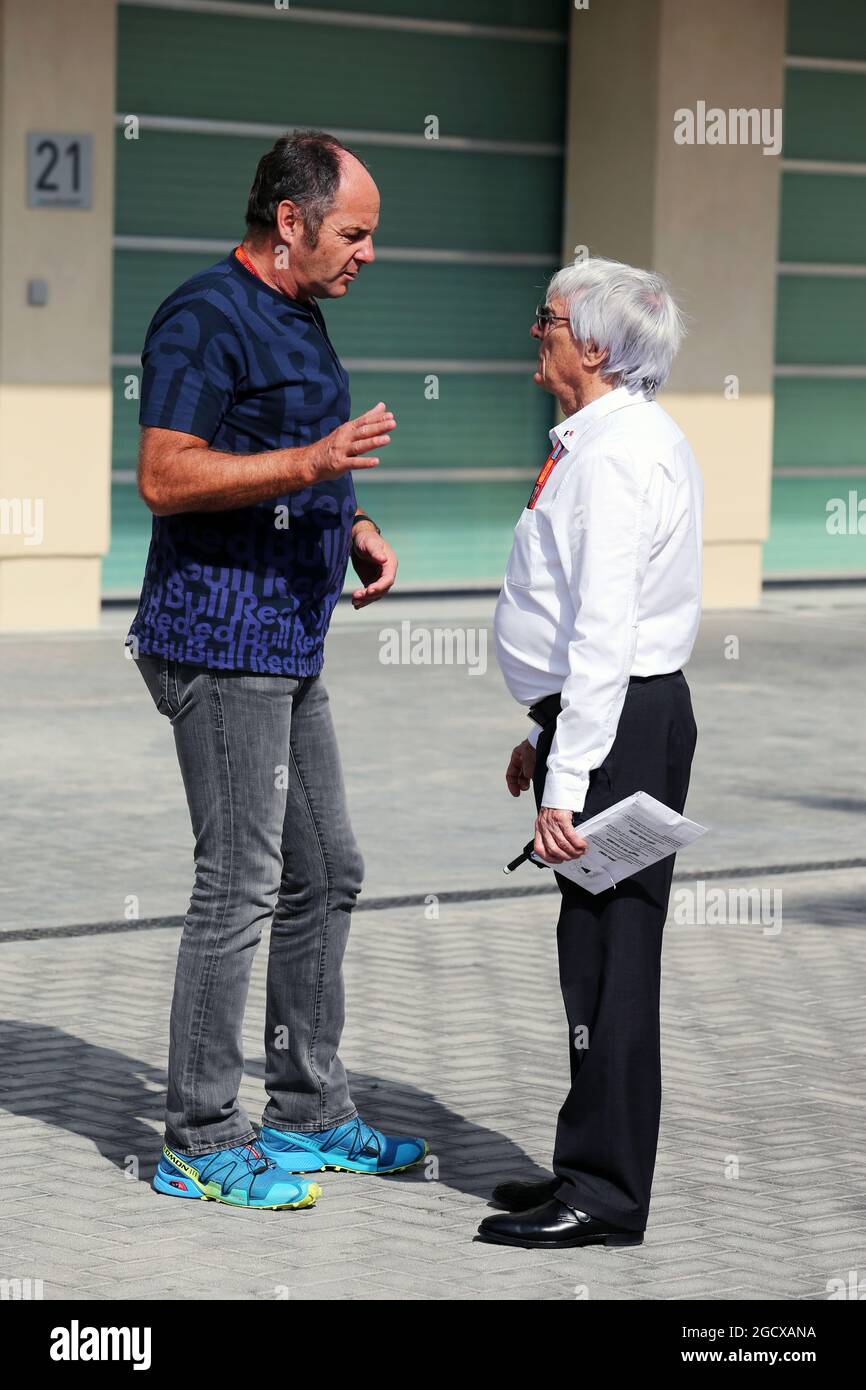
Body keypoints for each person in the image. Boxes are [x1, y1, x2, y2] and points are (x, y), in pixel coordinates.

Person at [127, 130, 427, 1210]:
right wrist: (311, 466)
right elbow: (165, 474)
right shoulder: (202, 313)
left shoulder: (298, 314)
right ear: (289, 222)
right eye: (354, 231)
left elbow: (305, 450)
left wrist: (354, 519)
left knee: (328, 870)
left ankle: (304, 1111)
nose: (368, 254)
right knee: (239, 883)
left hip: (288, 642)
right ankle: (202, 1135)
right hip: (217, 642)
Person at [480, 256, 702, 1248]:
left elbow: (605, 630)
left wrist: (566, 781)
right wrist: (546, 731)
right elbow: (574, 617)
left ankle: (605, 1195)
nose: (535, 329)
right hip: (603, 719)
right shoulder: (606, 439)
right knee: (590, 957)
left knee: (612, 961)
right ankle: (583, 1164)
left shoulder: (615, 454)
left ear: (596, 346)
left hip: (623, 725)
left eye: (547, 317)